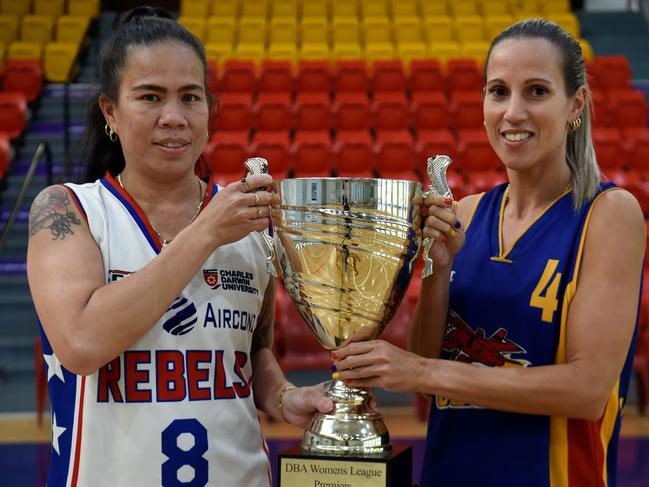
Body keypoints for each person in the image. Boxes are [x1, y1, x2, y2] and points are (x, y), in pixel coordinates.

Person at [26, 7, 332, 487]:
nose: (174, 117)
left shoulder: (250, 221)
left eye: (191, 97)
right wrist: (205, 233)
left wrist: (283, 397)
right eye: (150, 97)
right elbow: (82, 344)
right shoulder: (69, 211)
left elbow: (252, 352)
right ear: (111, 111)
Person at [332, 19, 645, 487]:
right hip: (446, 472)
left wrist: (421, 370)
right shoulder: (467, 212)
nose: (513, 112)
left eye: (536, 91)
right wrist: (437, 270)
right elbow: (426, 364)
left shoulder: (609, 213)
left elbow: (586, 391)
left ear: (575, 104)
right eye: (498, 91)